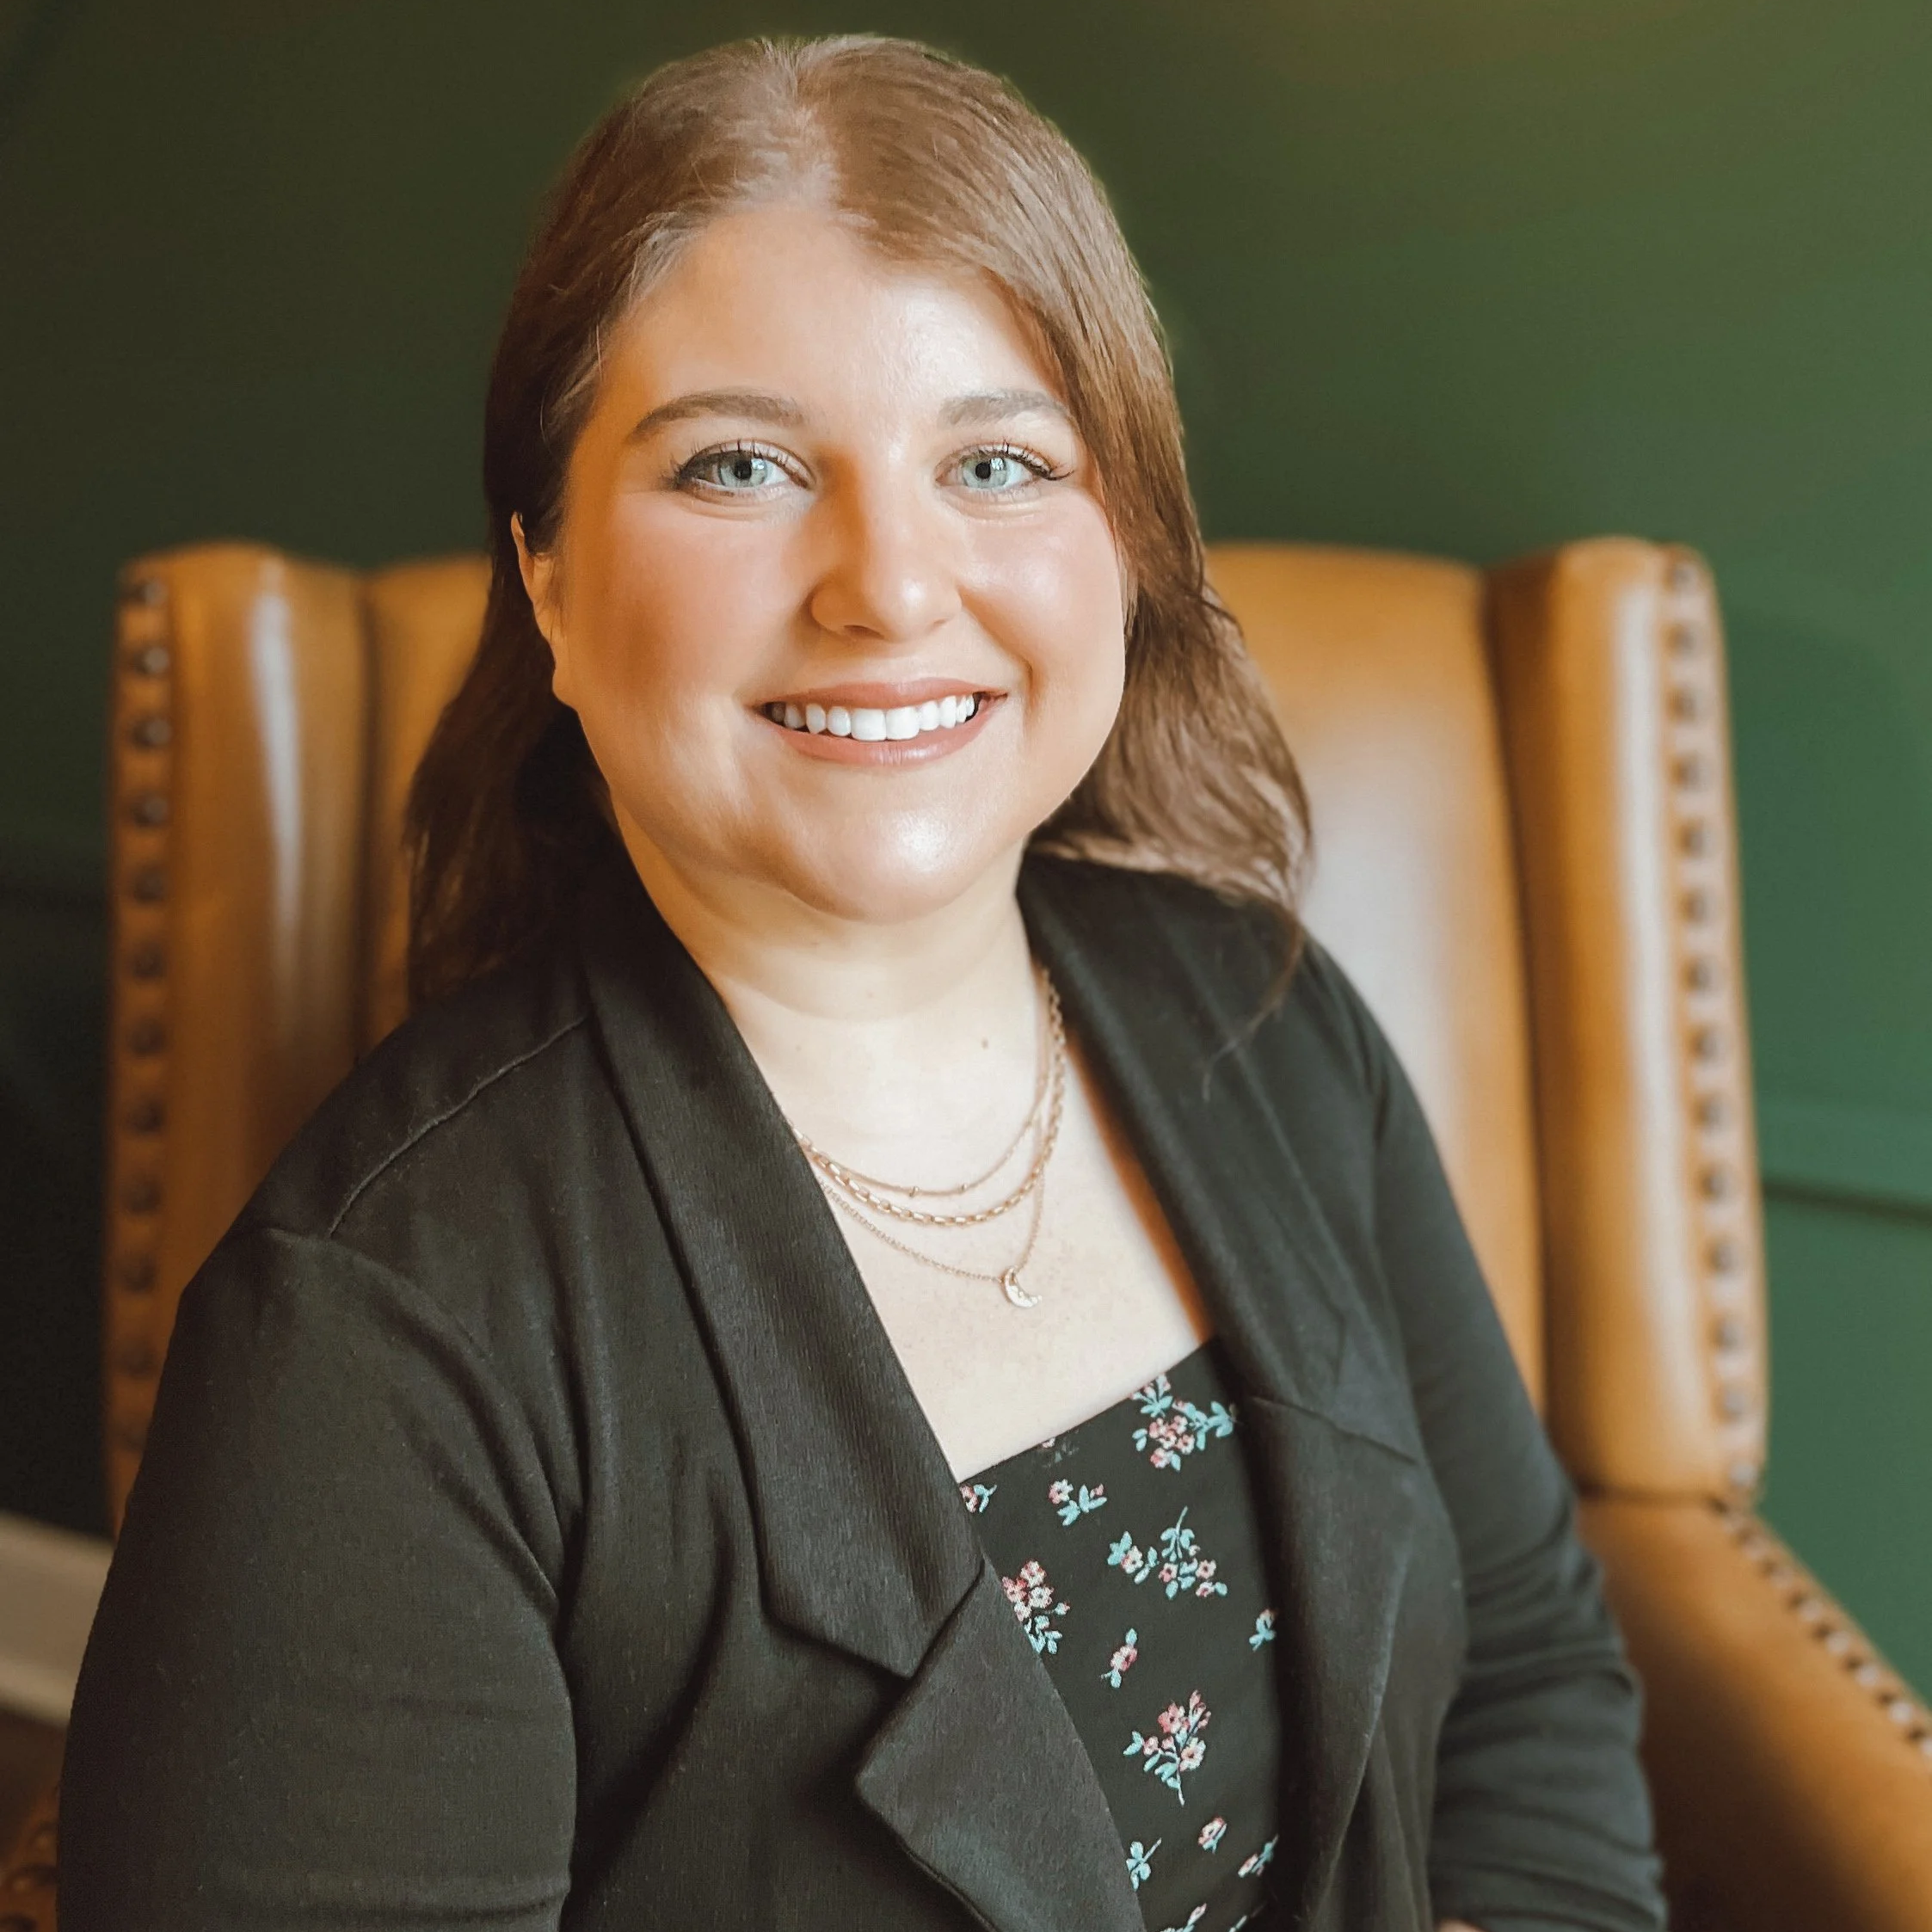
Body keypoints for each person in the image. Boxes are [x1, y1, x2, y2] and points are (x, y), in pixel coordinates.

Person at [61, 35, 1665, 1932]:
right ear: (549, 581)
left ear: (1122, 547)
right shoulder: (366, 1336)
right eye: (739, 466)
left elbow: (1530, 1694)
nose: (890, 586)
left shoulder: (1263, 1017)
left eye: (997, 463)